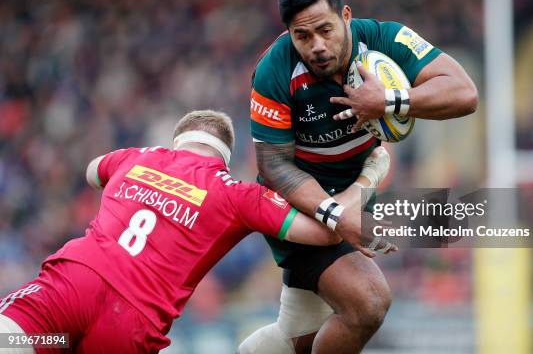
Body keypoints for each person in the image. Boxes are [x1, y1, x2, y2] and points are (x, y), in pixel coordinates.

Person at [0, 110, 392, 354]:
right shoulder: (236, 194)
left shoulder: (137, 158)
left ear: (176, 141)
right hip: (133, 321)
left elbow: (92, 171)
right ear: (224, 157)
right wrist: (370, 174)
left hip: (74, 282)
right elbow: (326, 232)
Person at [242, 0, 478, 353]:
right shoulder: (274, 70)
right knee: (368, 301)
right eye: (302, 36)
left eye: (325, 30)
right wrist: (336, 215)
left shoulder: (385, 39)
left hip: (353, 191)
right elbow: (273, 165)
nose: (316, 45)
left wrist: (389, 100)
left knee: (296, 340)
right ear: (289, 33)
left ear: (346, 16)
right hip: (298, 206)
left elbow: (464, 93)